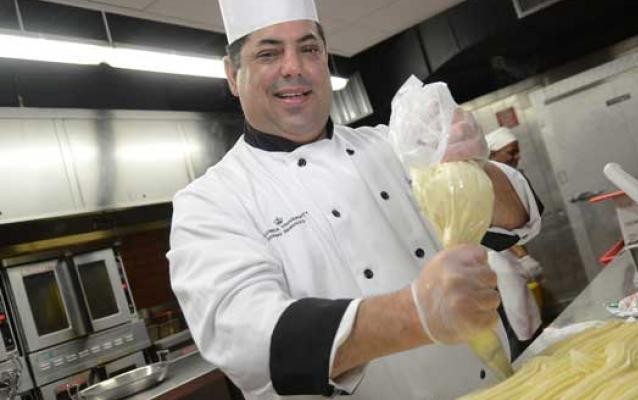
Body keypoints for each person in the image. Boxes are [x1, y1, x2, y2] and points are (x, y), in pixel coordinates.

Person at [167, 1, 542, 399]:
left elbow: (516, 218)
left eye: (309, 49)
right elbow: (249, 342)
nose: (293, 66)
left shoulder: (393, 143)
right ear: (232, 73)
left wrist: (474, 166)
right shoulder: (210, 202)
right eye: (269, 52)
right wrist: (416, 313)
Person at [484, 127, 544, 355]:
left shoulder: (509, 180)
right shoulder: (486, 184)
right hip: (496, 262)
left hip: (509, 261)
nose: (516, 157)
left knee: (527, 313)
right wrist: (524, 256)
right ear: (493, 154)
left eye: (517, 151)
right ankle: (526, 359)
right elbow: (496, 231)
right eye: (511, 152)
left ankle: (536, 351)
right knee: (516, 317)